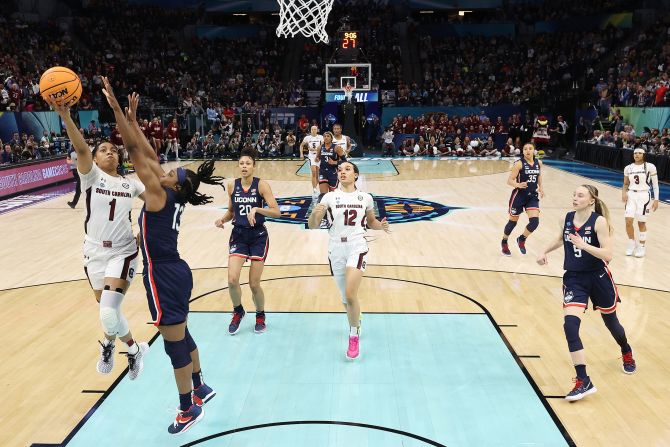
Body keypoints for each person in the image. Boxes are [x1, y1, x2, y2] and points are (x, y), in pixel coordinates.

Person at [102, 80, 222, 434]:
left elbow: (136, 153)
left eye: (172, 173)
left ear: (176, 185)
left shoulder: (157, 195)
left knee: (173, 346)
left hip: (163, 274)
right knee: (181, 334)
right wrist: (133, 119)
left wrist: (117, 114)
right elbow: (147, 154)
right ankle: (200, 385)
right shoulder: (169, 193)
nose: (166, 170)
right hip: (177, 270)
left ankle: (189, 408)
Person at [50, 99, 149, 380]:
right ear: (94, 159)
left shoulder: (132, 184)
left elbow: (154, 204)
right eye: (103, 150)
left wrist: (146, 229)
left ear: (119, 158)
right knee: (111, 311)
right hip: (93, 253)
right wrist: (67, 117)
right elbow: (81, 147)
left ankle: (110, 345)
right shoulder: (91, 177)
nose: (110, 153)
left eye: (113, 150)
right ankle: (132, 349)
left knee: (108, 312)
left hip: (124, 252)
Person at [537, 185, 636, 401]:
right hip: (574, 279)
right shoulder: (567, 218)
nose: (575, 197)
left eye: (580, 195)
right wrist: (544, 250)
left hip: (598, 278)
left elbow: (608, 254)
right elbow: (561, 238)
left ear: (591, 201)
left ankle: (626, 351)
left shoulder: (599, 222)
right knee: (570, 326)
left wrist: (584, 244)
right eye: (574, 194)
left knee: (612, 324)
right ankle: (583, 379)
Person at [308, 161, 390, 360]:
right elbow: (312, 226)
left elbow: (370, 222)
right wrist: (314, 215)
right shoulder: (328, 196)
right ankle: (356, 318)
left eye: (347, 169)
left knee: (351, 294)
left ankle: (353, 335)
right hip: (336, 247)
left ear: (356, 175)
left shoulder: (365, 198)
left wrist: (381, 226)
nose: (342, 172)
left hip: (357, 245)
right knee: (346, 300)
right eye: (340, 169)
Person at [214, 149, 280, 335]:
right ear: (238, 165)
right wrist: (223, 220)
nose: (244, 166)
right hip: (239, 235)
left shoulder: (262, 186)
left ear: (254, 165)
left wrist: (258, 210)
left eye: (248, 163)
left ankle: (260, 315)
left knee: (253, 283)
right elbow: (231, 211)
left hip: (258, 236)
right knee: (232, 279)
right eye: (241, 163)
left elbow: (276, 211)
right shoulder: (231, 186)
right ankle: (238, 311)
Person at [502, 143, 544, 256]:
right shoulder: (519, 164)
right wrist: (518, 184)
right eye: (525, 149)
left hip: (532, 197)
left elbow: (538, 176)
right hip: (519, 196)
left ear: (534, 150)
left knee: (534, 222)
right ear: (523, 151)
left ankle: (522, 238)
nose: (528, 151)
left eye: (530, 148)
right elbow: (509, 180)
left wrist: (541, 188)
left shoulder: (539, 163)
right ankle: (504, 241)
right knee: (512, 223)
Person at [622, 148, 659, 257]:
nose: (637, 155)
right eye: (635, 153)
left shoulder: (650, 166)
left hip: (644, 195)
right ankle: (631, 243)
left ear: (643, 155)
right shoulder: (628, 168)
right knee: (628, 221)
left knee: (641, 222)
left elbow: (655, 185)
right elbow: (625, 183)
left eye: (639, 153)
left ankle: (641, 246)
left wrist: (656, 199)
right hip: (631, 195)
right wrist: (623, 193)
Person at [317, 131, 346, 197]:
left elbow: (345, 161)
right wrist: (317, 159)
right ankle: (323, 206)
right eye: (324, 136)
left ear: (331, 138)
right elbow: (317, 157)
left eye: (328, 136)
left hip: (333, 172)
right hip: (322, 172)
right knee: (323, 195)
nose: (326, 138)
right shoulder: (320, 147)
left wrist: (335, 162)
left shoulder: (336, 148)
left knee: (332, 195)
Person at [299, 125, 323, 198]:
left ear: (317, 130)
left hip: (319, 156)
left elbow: (323, 146)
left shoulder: (321, 137)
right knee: (313, 172)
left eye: (315, 129)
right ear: (310, 130)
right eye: (312, 129)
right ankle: (314, 189)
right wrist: (301, 153)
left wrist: (317, 150)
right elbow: (301, 145)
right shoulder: (307, 137)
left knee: (318, 174)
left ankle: (318, 188)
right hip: (311, 156)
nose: (313, 130)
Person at [66, 144, 80, 208]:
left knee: (79, 187)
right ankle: (73, 203)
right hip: (75, 170)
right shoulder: (71, 151)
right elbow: (67, 159)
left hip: (82, 170)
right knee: (79, 187)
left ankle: (74, 203)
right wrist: (70, 162)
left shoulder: (81, 151)